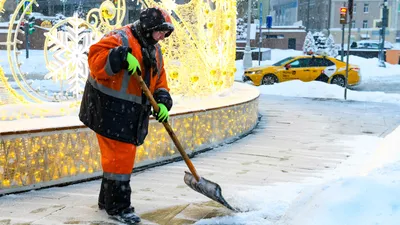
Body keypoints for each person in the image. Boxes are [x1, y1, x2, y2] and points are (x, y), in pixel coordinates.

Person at [79, 7, 174, 224]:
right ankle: (119, 207)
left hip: (129, 114)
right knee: (120, 159)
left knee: (116, 159)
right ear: (149, 27)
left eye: (165, 34)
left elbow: (160, 80)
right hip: (108, 109)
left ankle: (107, 200)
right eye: (160, 32)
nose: (162, 37)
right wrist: (119, 56)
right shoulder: (120, 38)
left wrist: (162, 101)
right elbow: (95, 60)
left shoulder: (154, 50)